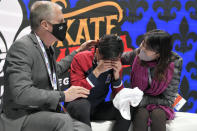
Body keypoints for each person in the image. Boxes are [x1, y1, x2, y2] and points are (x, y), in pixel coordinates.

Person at [1, 1, 97, 131]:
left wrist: (78, 51)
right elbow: (21, 93)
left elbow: (53, 70)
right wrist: (63, 95)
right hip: (21, 116)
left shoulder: (47, 47)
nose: (64, 25)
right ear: (45, 25)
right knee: (62, 121)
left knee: (83, 128)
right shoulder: (22, 47)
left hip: (43, 112)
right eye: (61, 21)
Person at [66, 34, 132, 131]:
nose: (110, 63)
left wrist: (117, 76)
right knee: (83, 105)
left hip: (97, 107)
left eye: (114, 59)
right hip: (77, 106)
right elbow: (76, 93)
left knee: (126, 106)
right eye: (106, 60)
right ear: (97, 52)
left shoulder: (116, 62)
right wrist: (96, 72)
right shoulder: (80, 58)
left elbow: (118, 98)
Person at [121, 29, 183, 131]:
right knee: (140, 115)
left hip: (160, 103)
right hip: (139, 102)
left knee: (158, 116)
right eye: (143, 43)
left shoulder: (173, 64)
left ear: (159, 53)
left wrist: (141, 100)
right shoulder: (138, 54)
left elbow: (168, 100)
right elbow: (119, 58)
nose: (142, 48)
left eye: (147, 48)